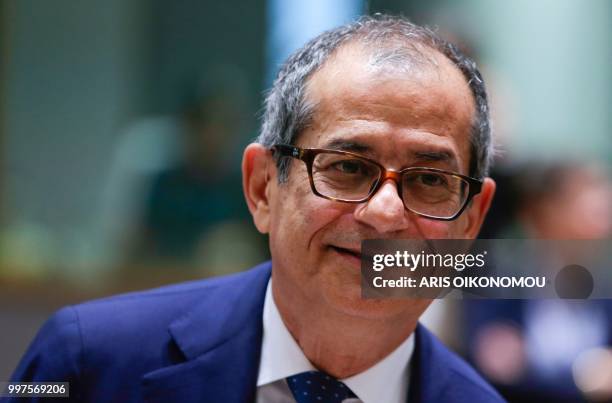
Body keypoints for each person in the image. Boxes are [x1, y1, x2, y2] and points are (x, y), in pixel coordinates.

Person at [8, 15, 500, 403]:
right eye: (348, 167)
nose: (386, 213)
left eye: (431, 180)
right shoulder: (84, 363)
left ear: (471, 222)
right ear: (263, 187)